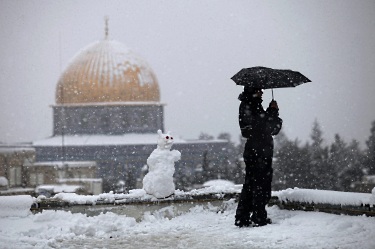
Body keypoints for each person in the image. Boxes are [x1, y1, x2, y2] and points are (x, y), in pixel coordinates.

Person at [235, 86, 282, 227]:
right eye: (259, 90)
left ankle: (243, 217)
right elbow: (264, 127)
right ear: (252, 91)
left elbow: (261, 125)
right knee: (260, 185)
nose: (262, 92)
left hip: (256, 150)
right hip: (259, 150)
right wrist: (273, 112)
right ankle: (258, 217)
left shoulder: (250, 104)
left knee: (251, 184)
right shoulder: (251, 105)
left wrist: (270, 113)